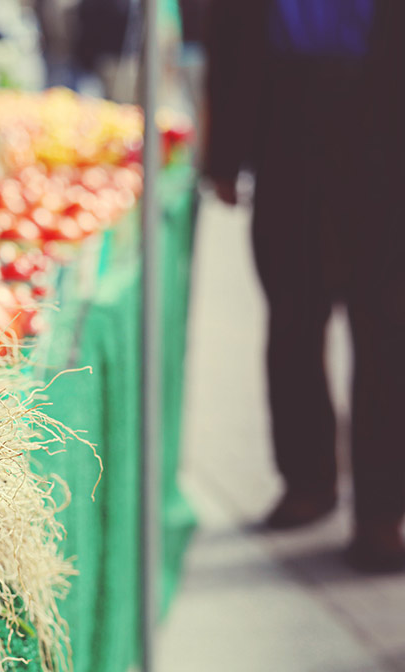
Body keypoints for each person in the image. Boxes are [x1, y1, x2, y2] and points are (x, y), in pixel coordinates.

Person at [205, 0, 405, 571]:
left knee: (388, 333)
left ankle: (382, 512)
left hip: (387, 137)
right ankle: (309, 480)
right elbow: (229, 32)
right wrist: (223, 155)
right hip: (286, 136)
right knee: (292, 319)